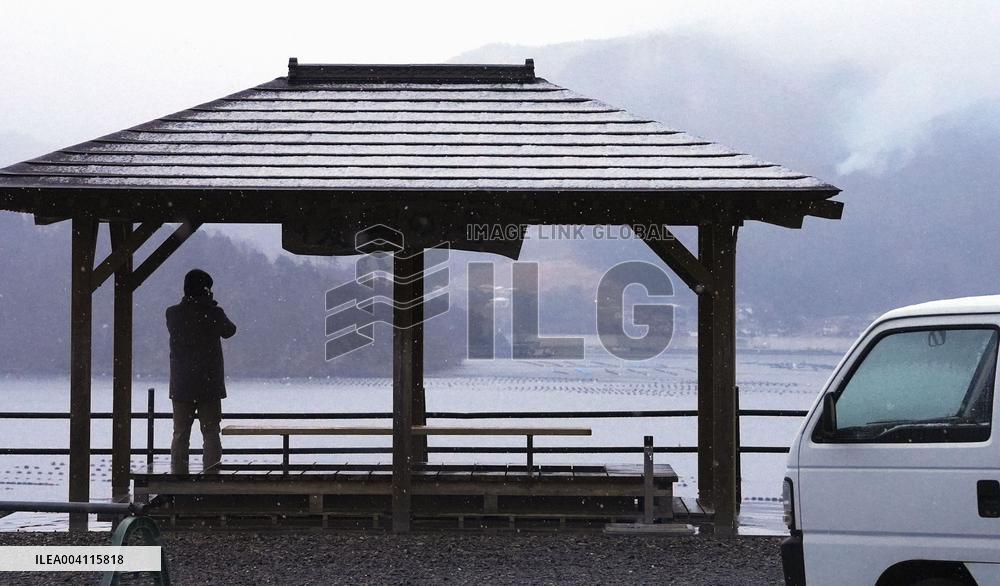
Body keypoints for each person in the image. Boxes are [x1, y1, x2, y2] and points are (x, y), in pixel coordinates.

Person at [166, 269, 237, 474]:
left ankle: (178, 478)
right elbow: (230, 330)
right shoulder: (214, 313)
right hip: (209, 383)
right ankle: (211, 476)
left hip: (181, 384)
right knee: (211, 431)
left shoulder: (173, 313)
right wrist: (210, 305)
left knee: (180, 433)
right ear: (206, 290)